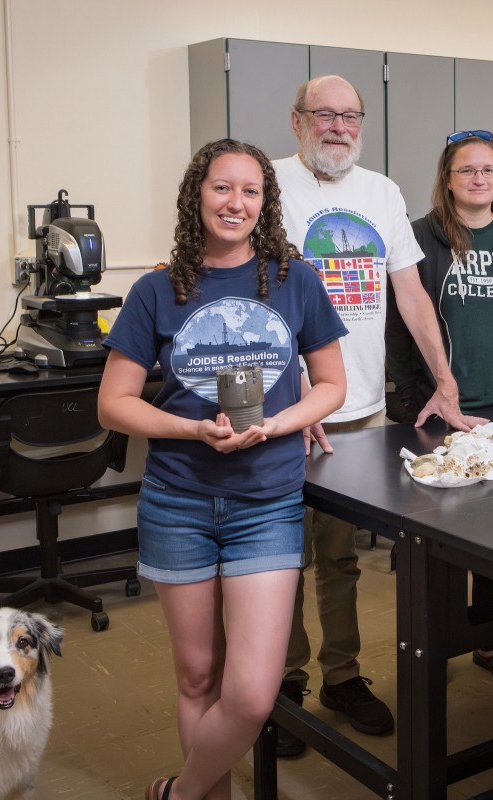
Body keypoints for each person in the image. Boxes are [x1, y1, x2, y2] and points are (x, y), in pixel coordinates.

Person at [97, 139, 348, 800]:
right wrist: (188, 429)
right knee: (198, 678)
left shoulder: (296, 280)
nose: (235, 202)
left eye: (250, 191)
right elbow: (113, 404)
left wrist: (279, 423)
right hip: (177, 499)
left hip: (265, 501)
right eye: (221, 187)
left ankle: (178, 795)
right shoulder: (157, 288)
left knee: (252, 692)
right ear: (197, 195)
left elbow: (330, 385)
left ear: (265, 203)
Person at [272, 75, 486, 755]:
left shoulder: (381, 193)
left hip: (358, 412)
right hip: (289, 412)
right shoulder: (268, 186)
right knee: (278, 559)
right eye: (323, 114)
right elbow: (260, 299)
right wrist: (298, 391)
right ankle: (281, 686)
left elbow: (412, 296)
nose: (337, 126)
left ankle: (341, 675)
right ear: (298, 120)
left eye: (349, 115)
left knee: (339, 559)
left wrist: (445, 381)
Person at [385, 130, 493, 686]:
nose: (479, 179)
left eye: (488, 170)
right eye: (467, 170)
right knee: (438, 539)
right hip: (441, 415)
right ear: (448, 178)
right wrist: (415, 398)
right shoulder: (419, 238)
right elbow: (399, 328)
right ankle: (432, 648)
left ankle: (489, 642)